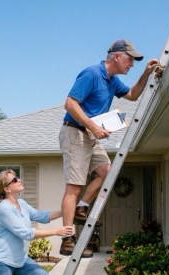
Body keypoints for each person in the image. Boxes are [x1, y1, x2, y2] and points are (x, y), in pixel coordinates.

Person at [58, 39, 159, 257]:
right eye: (130, 59)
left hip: (90, 136)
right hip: (75, 133)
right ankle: (67, 240)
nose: (131, 64)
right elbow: (70, 104)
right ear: (116, 56)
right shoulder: (92, 74)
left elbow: (132, 95)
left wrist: (146, 73)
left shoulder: (112, 81)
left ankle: (82, 206)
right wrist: (93, 126)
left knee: (107, 171)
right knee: (73, 187)